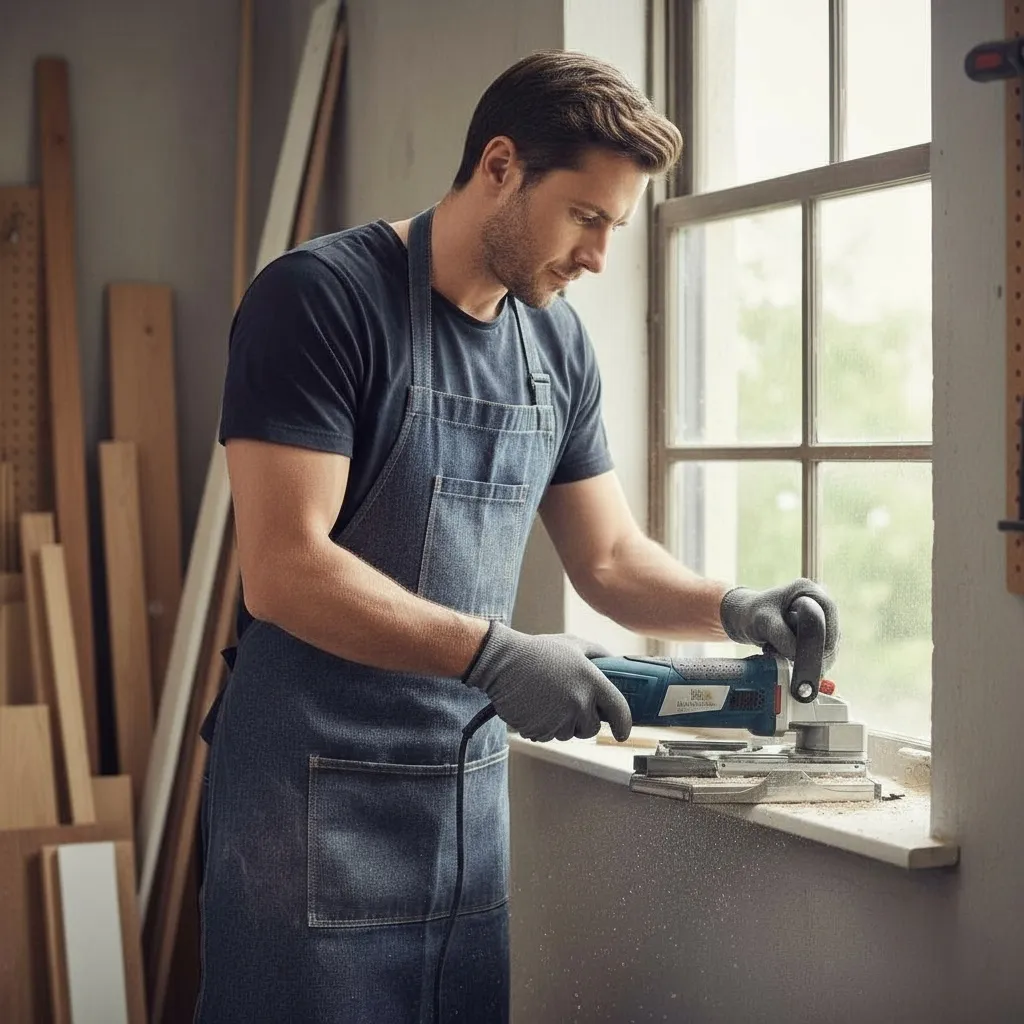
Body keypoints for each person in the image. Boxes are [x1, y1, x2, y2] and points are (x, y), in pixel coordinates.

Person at [195, 49, 839, 1024]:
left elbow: (610, 559)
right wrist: (493, 652)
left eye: (614, 228)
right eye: (585, 216)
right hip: (308, 803)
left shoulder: (555, 344)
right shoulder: (320, 301)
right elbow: (285, 570)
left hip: (462, 809)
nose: (596, 257)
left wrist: (729, 607)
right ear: (499, 165)